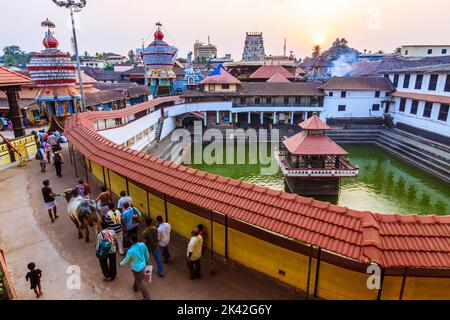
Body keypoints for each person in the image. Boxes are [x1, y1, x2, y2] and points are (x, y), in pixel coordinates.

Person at [119, 234, 150, 300]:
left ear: (131, 241)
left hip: (136, 268)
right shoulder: (143, 245)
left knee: (140, 282)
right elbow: (147, 254)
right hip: (143, 265)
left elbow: (126, 260)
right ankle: (135, 288)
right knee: (138, 278)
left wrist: (121, 264)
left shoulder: (130, 251)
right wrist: (147, 260)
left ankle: (146, 297)